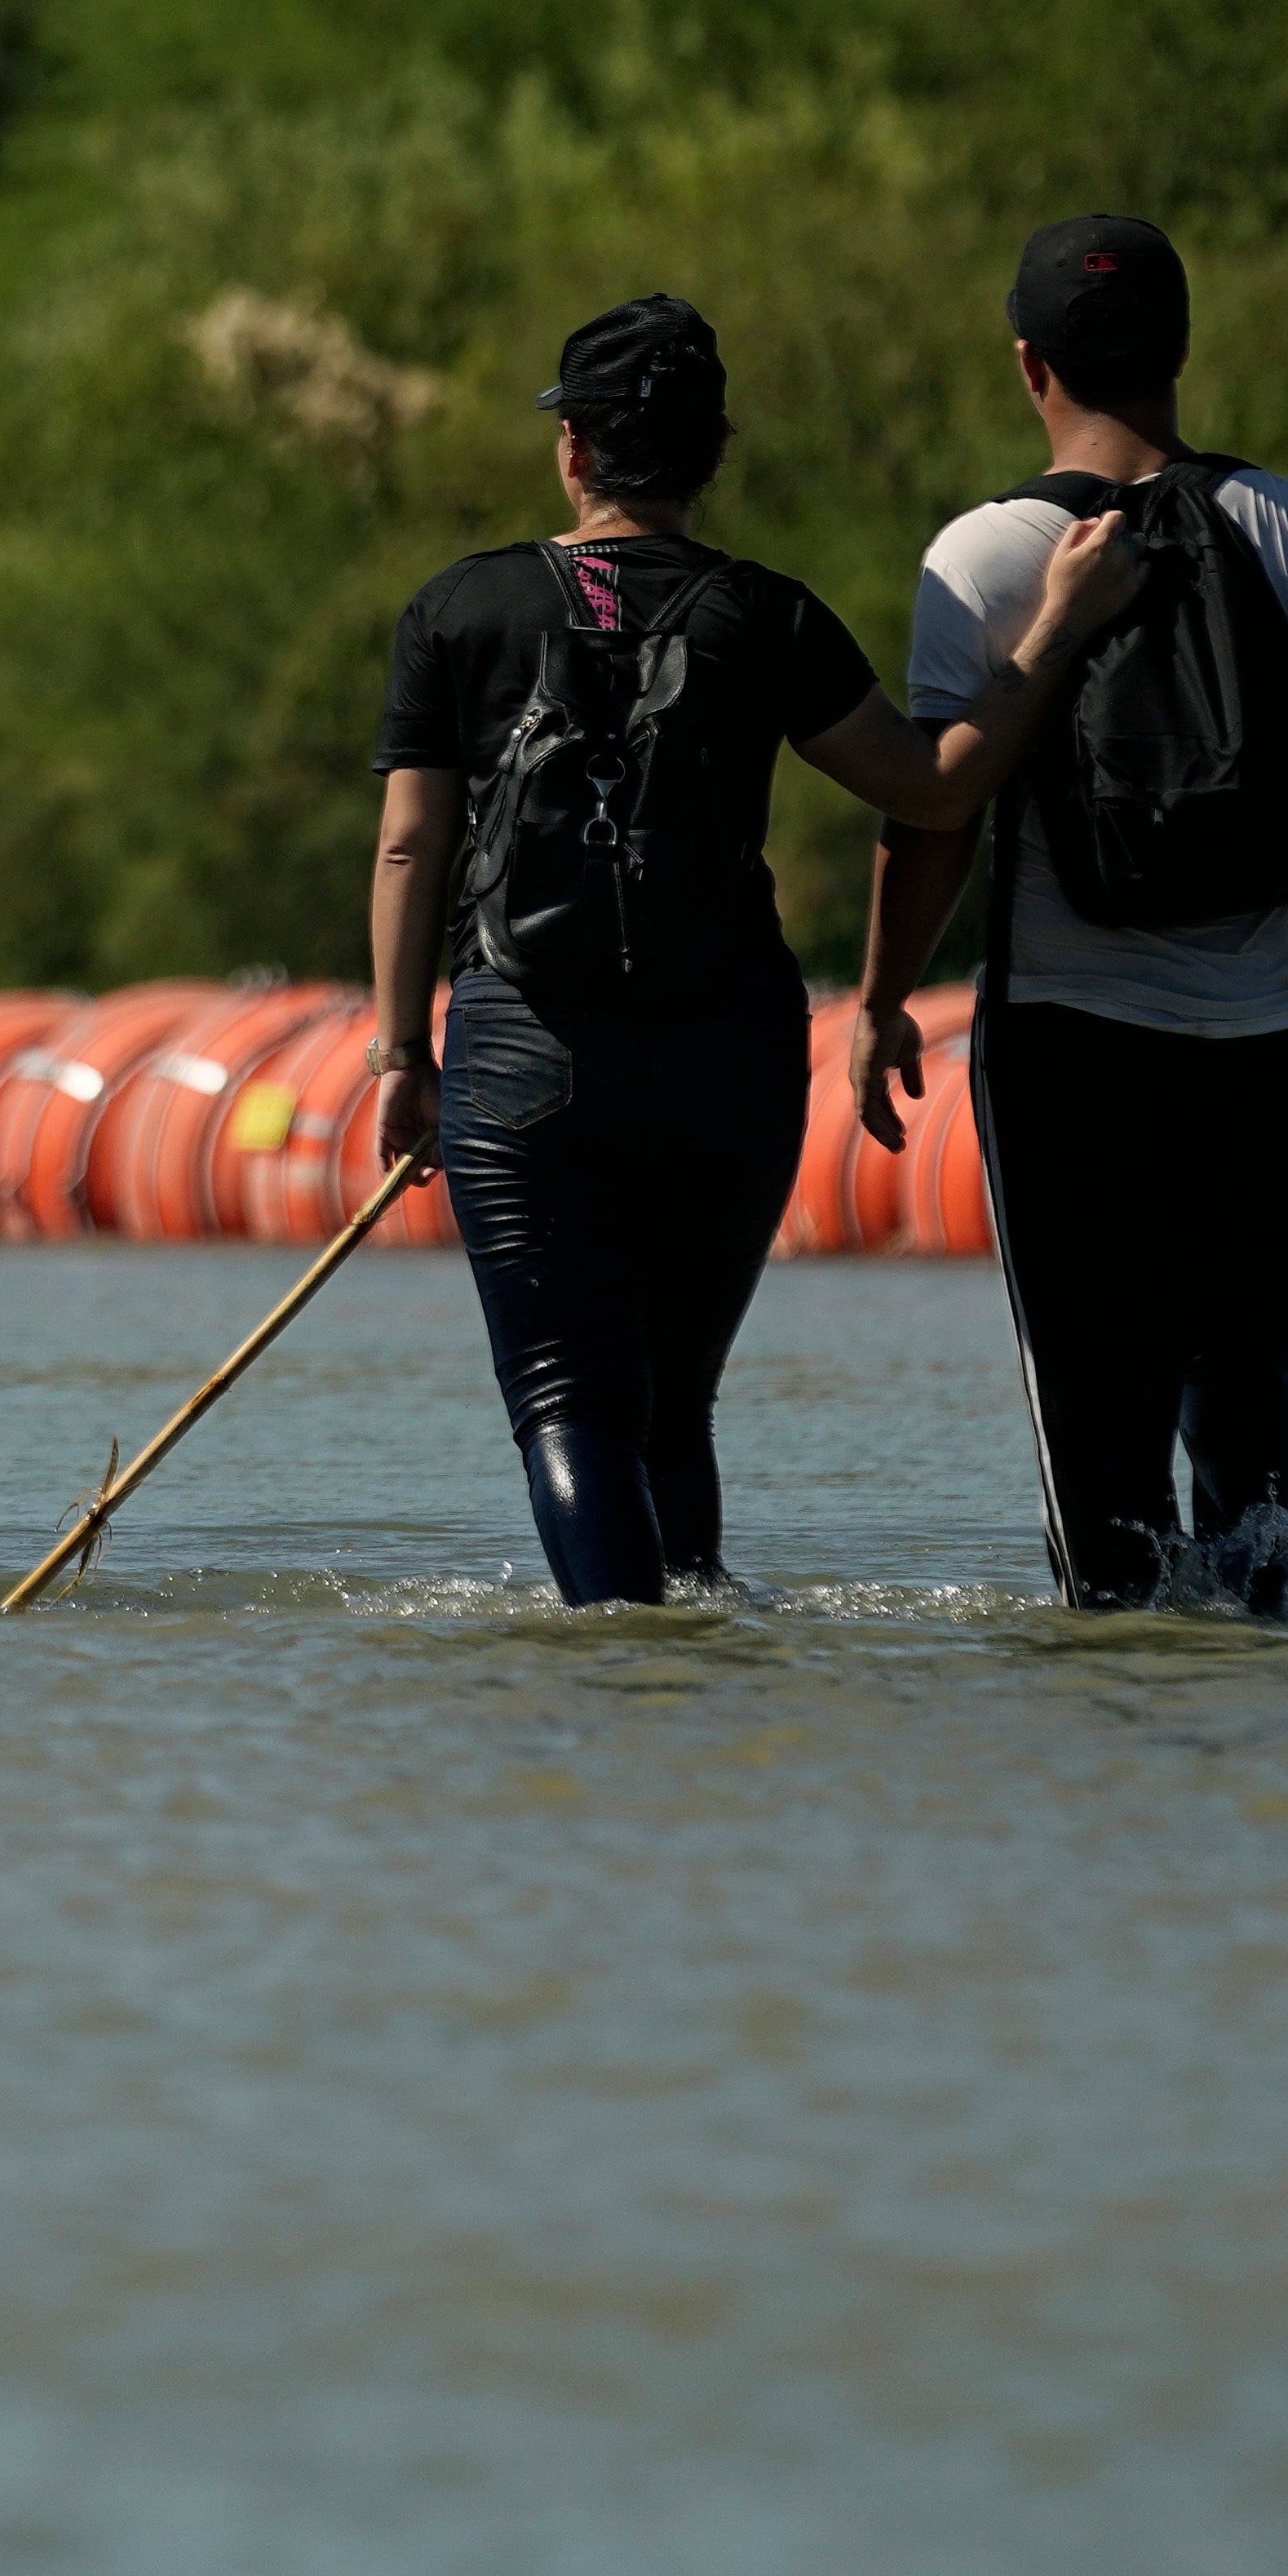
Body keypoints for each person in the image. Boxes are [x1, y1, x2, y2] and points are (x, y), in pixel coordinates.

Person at [370, 294, 1146, 1604]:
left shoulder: (459, 611)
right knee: (675, 1400)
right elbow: (933, 787)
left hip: (527, 1054)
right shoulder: (766, 616)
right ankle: (695, 1662)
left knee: (573, 1402)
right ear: (710, 455)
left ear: (573, 450)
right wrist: (1060, 620)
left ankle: (621, 1667)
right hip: (733, 1058)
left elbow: (409, 845)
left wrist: (401, 1053)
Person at [853, 215, 1288, 1609]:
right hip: (1253, 1032)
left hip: (1068, 1037)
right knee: (1242, 1367)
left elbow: (934, 811)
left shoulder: (990, 554)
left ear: (1027, 365)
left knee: (1091, 1398)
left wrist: (883, 998)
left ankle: (1119, 1682)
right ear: (1179, 352)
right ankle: (1256, 1627)